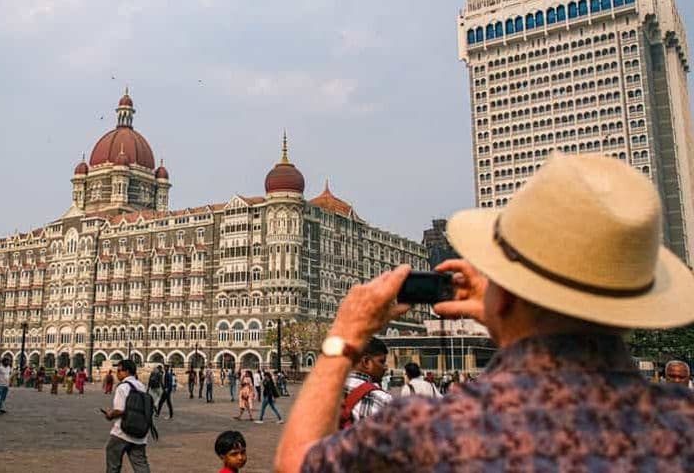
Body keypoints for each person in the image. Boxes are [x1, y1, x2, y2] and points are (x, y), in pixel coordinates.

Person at [277, 153, 694, 472]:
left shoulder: (435, 431)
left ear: (506, 295)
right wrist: (507, 316)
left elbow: (297, 463)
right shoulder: (681, 425)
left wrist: (344, 336)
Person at [103, 359, 150, 473]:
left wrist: (110, 415)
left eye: (119, 371)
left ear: (127, 371)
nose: (117, 374)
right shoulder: (141, 386)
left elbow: (120, 410)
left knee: (113, 460)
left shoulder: (123, 387)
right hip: (140, 433)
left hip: (122, 432)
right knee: (140, 464)